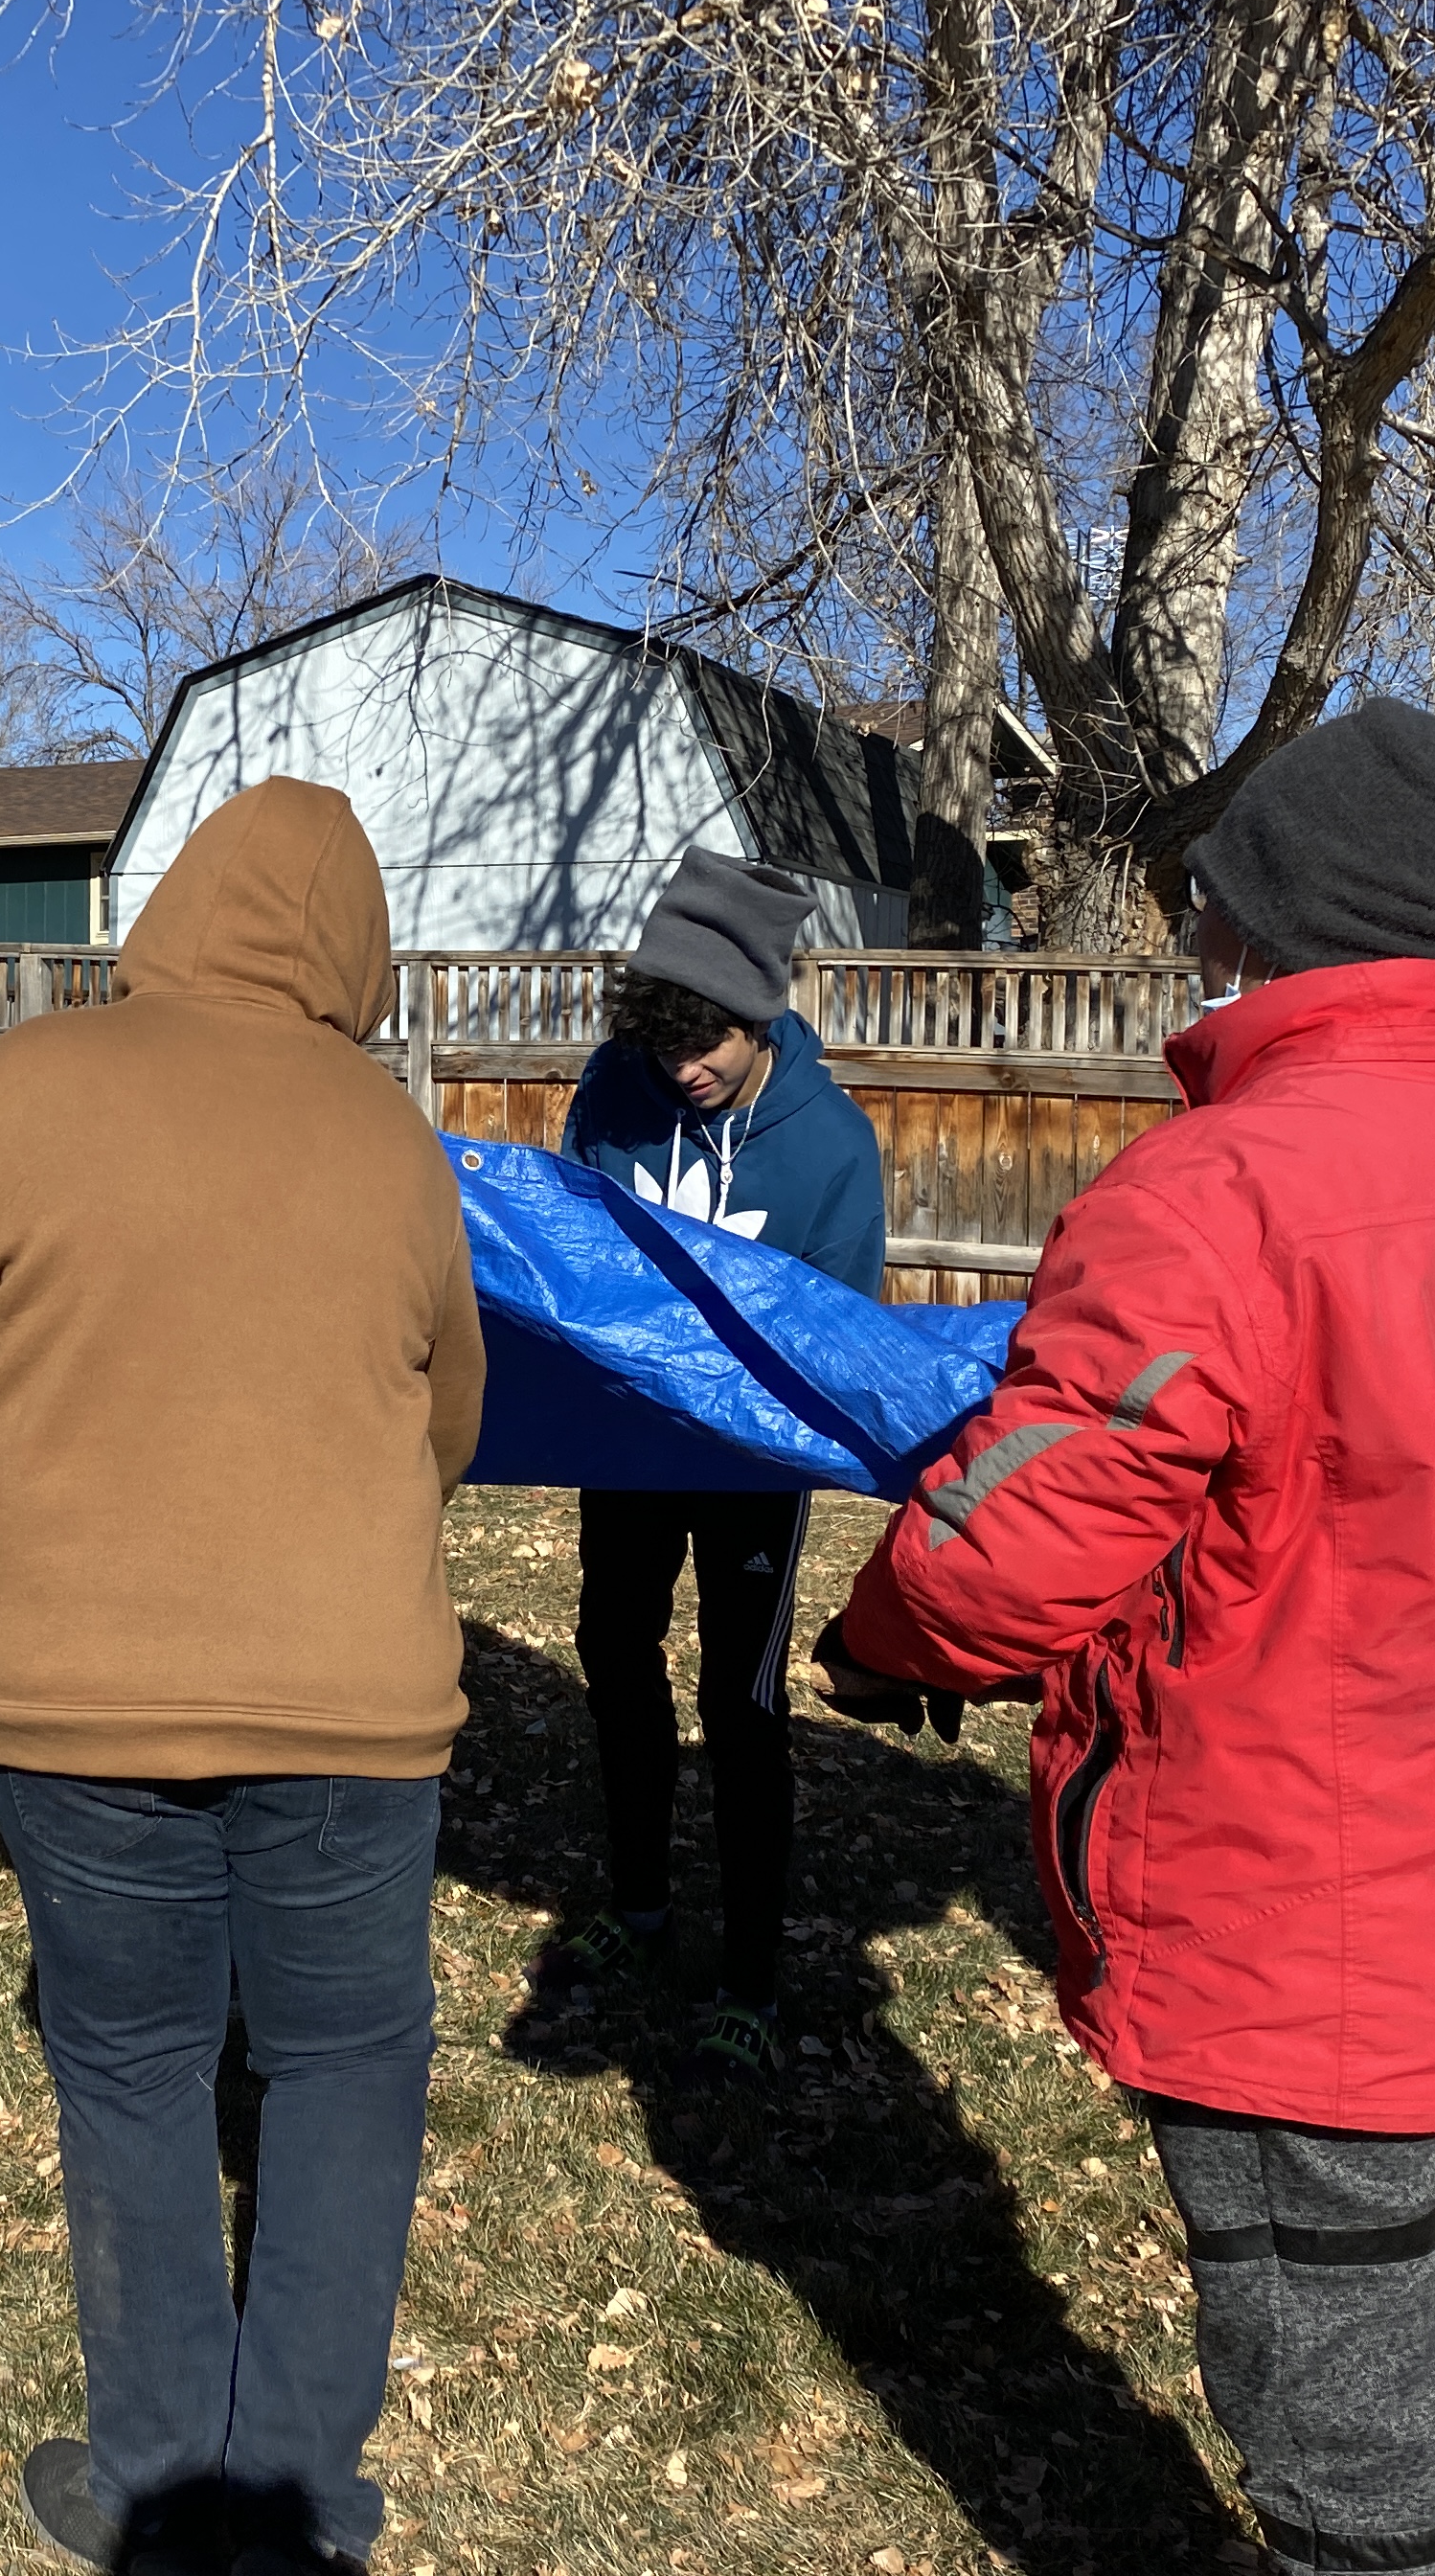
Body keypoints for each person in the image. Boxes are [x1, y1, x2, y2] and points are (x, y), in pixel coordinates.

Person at [821, 703, 1435, 2576]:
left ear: (1261, 921)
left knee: (1339, 2454)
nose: (1193, 929)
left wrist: (883, 1636)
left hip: (1293, 1906)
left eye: (1211, 895)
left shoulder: (1220, 1192)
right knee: (1379, 2333)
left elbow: (1023, 1538)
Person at [0, 777, 483, 2576]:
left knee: (127, 2063)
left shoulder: (14, 1089)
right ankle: (302, 2498)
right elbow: (450, 1418)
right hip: (351, 1701)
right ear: (349, 944)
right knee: (344, 2065)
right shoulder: (389, 1134)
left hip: (74, 1687)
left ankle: (150, 2475)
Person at [544, 846, 886, 2090]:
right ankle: (639, 1906)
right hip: (626, 1451)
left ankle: (749, 1974)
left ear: (761, 1016)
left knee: (741, 1706)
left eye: (708, 1044)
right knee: (615, 1661)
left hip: (749, 1471)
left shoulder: (830, 1149)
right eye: (664, 1040)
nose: (682, 1068)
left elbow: (842, 1333)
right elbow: (574, 1252)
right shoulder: (615, 1092)